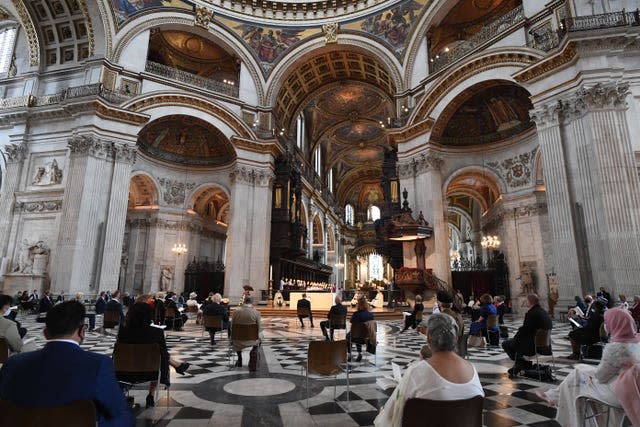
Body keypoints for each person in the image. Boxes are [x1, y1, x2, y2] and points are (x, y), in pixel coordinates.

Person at [0, 301, 133, 426]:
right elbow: (116, 409)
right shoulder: (99, 364)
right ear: (82, 331)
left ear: (45, 333)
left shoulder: (12, 363)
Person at [373, 313, 484, 426]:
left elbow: (393, 412)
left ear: (429, 337)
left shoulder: (416, 371)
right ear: (455, 338)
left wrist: (384, 413)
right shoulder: (472, 369)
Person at [536, 308, 640, 427]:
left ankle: (560, 403)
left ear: (615, 324)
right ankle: (554, 395)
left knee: (577, 374)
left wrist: (589, 372)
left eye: (607, 322)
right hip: (634, 389)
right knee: (581, 371)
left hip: (618, 392)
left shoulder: (616, 348)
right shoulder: (637, 342)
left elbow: (601, 377)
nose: (605, 325)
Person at [116, 303, 190, 408]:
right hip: (150, 372)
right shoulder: (156, 331)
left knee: (155, 357)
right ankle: (151, 395)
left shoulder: (123, 332)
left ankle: (177, 365)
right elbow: (163, 354)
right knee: (159, 357)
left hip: (124, 372)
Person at [502, 294, 552, 378]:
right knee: (514, 342)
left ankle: (522, 364)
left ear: (529, 302)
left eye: (527, 301)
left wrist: (516, 336)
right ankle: (522, 364)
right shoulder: (543, 311)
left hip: (532, 345)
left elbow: (525, 330)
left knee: (506, 344)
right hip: (545, 344)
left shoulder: (532, 313)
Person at [231, 296, 262, 368]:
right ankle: (253, 352)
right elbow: (259, 328)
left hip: (237, 339)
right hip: (252, 340)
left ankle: (239, 359)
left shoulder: (235, 312)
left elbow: (232, 326)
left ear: (244, 302)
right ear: (252, 302)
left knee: (236, 335)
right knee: (261, 336)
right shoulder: (256, 313)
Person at [346, 298, 374, 362]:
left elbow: (352, 325)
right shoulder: (370, 315)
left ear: (358, 305)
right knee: (358, 333)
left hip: (356, 337)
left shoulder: (356, 314)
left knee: (349, 336)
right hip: (367, 339)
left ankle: (349, 354)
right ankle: (360, 353)